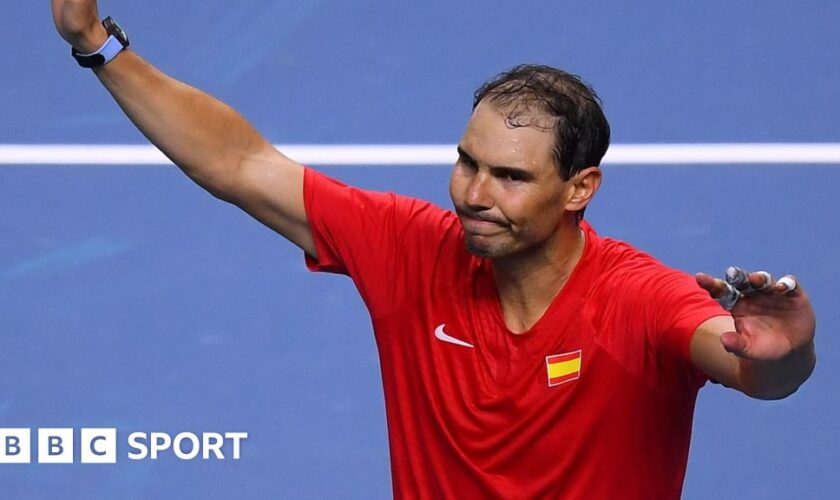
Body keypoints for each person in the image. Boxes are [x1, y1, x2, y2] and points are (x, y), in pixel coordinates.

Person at [52, 1, 817, 498]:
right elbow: (244, 165)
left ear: (581, 188)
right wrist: (99, 47)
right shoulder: (411, 248)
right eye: (468, 162)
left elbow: (752, 370)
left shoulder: (637, 298)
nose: (475, 194)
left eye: (511, 177)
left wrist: (784, 352)